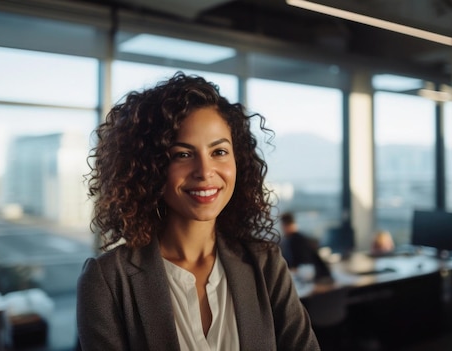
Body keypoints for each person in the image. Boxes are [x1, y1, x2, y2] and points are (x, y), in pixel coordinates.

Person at [76, 72, 320, 350]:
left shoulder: (265, 264)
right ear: (151, 167)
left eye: (219, 152)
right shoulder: (107, 280)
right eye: (183, 154)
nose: (205, 172)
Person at [279, 212, 332, 283]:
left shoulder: (296, 241)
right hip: (314, 275)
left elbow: (304, 267)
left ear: (284, 226)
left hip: (310, 279)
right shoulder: (300, 239)